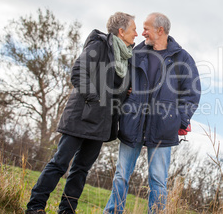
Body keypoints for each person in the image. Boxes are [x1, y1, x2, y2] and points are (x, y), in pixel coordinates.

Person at [25, 12, 138, 214]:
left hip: (102, 124)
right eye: (133, 30)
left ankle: (67, 210)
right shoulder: (100, 45)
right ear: (121, 31)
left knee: (80, 170)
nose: (136, 34)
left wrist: (125, 91)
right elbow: (78, 73)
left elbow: (113, 88)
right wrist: (94, 100)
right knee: (60, 163)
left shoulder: (126, 58)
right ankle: (35, 207)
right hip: (81, 116)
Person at [104, 12, 201, 213]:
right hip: (133, 122)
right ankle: (113, 211)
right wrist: (125, 98)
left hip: (163, 129)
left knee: (157, 181)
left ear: (160, 30)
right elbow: (121, 79)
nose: (142, 32)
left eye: (146, 28)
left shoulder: (182, 58)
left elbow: (192, 93)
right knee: (121, 174)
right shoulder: (135, 53)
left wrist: (179, 121)